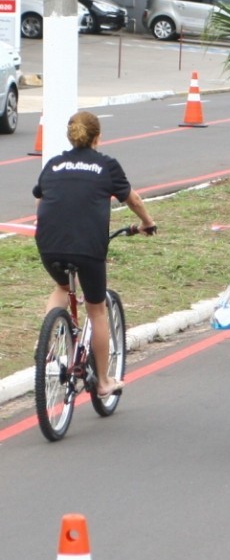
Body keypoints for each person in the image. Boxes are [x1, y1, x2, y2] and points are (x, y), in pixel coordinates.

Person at [33, 111, 156, 399]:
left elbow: (42, 199)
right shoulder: (106, 166)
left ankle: (46, 344)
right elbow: (133, 200)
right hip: (87, 247)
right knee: (96, 308)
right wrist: (147, 223)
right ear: (98, 137)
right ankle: (102, 382)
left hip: (48, 243)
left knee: (63, 286)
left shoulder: (53, 164)